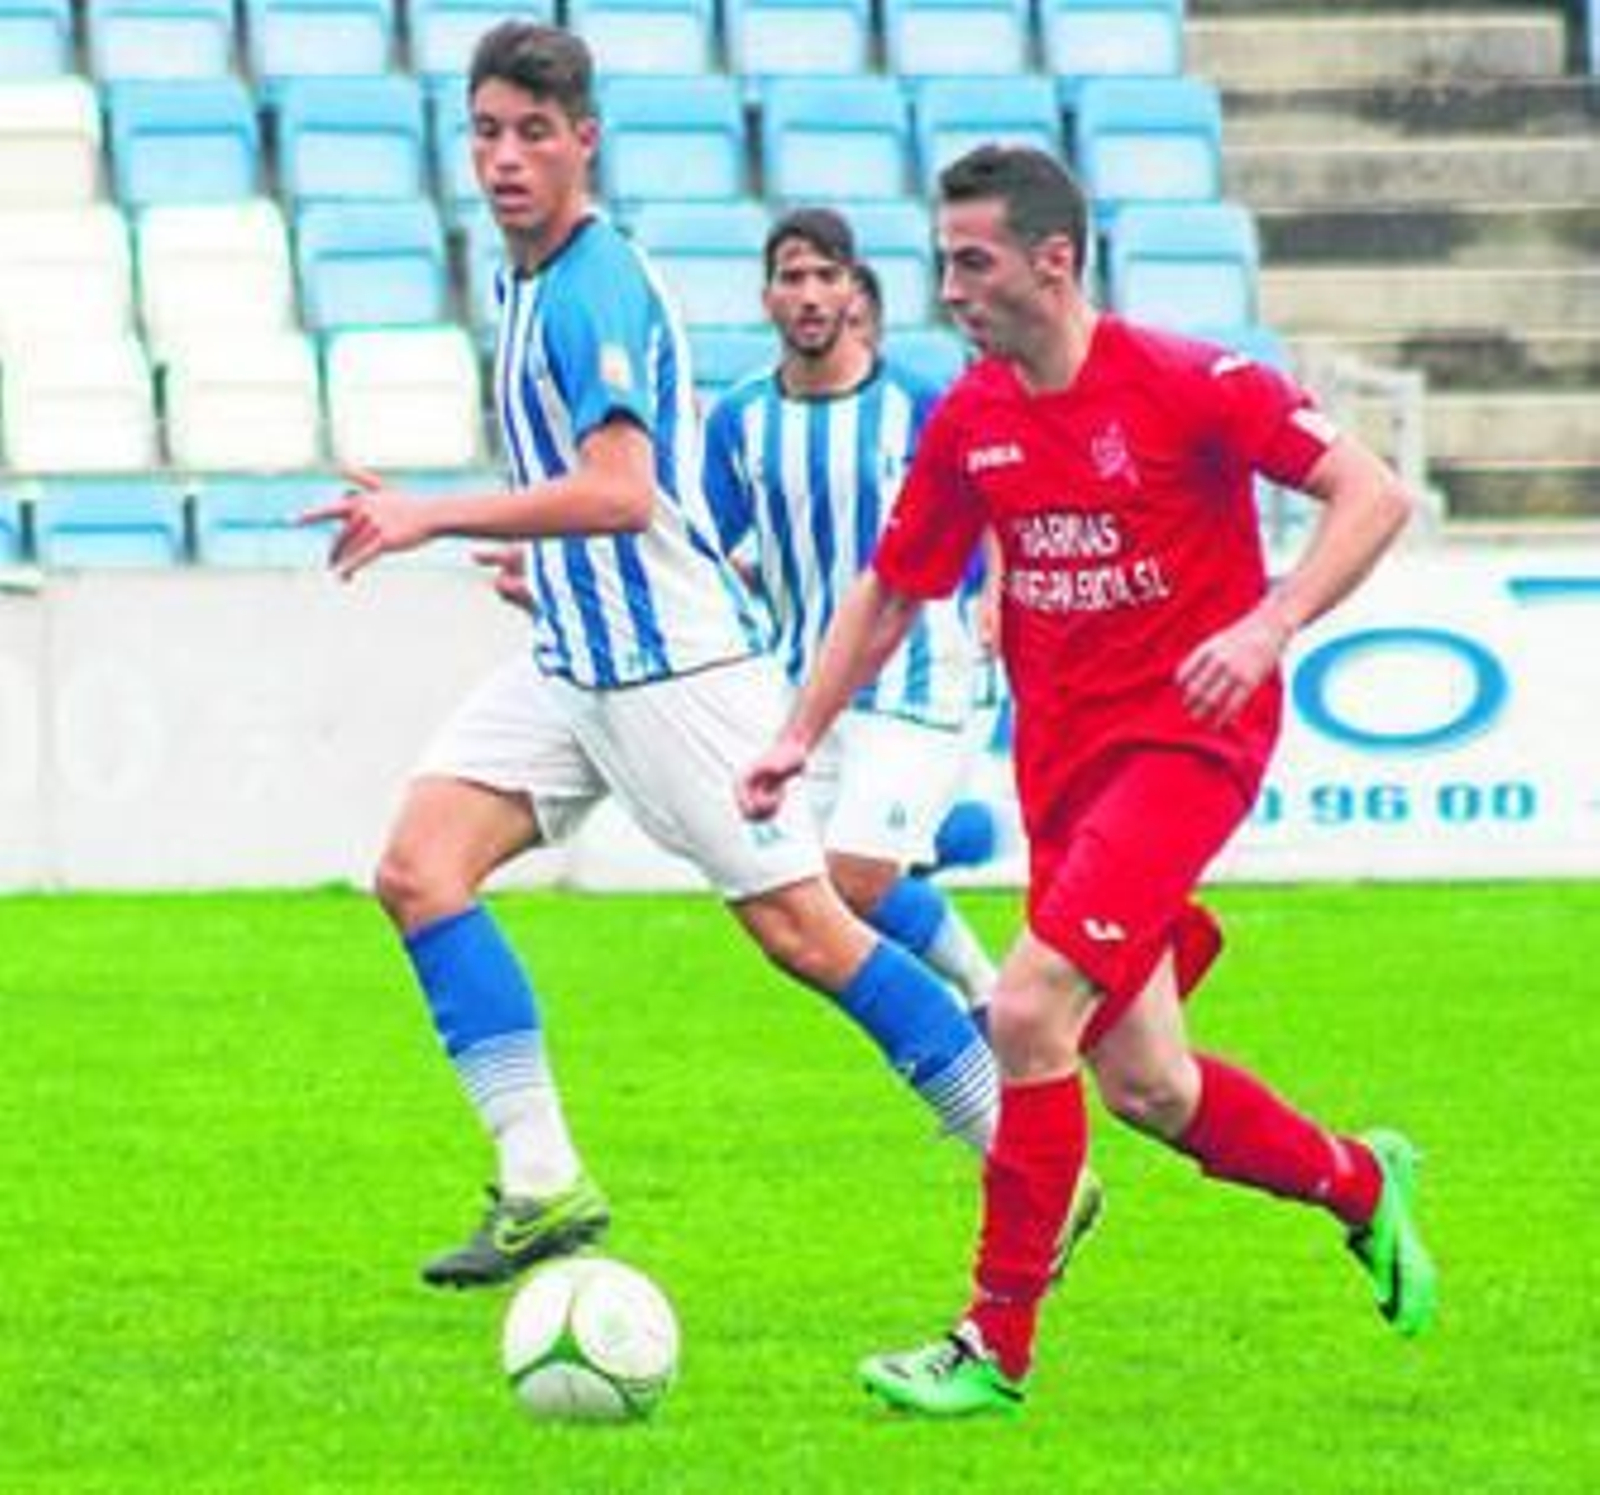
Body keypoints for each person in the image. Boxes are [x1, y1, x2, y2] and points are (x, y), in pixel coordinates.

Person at [739, 144, 1437, 1416]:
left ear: (1051, 261)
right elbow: (896, 586)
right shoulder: (973, 417)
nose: (949, 288)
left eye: (972, 260)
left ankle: (992, 1343)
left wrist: (1268, 623)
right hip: (1063, 776)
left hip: (1186, 749)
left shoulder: (1183, 383)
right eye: (945, 260)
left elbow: (1370, 493)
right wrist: (798, 732)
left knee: (1023, 1010)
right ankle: (1357, 1182)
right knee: (1150, 1087)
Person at [301, 21, 999, 1291]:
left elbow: (622, 492)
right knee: (419, 869)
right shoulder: (524, 277)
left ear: (584, 143)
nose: (505, 159)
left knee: (809, 931)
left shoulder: (594, 283)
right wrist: (542, 565)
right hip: (577, 654)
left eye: (532, 133)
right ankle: (542, 1181)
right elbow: (621, 501)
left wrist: (430, 512)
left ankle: (1025, 1160)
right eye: (486, 132)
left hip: (671, 666)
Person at [702, 207, 1000, 1024]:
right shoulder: (739, 419)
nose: (808, 294)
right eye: (791, 278)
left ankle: (982, 1001)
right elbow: (708, 544)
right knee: (810, 899)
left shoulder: (918, 406)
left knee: (854, 879)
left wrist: (998, 594)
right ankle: (980, 994)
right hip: (805, 692)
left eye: (825, 276)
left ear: (852, 291)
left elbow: (993, 506)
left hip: (919, 671)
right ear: (766, 297)